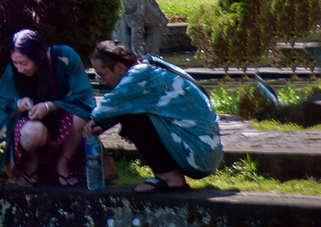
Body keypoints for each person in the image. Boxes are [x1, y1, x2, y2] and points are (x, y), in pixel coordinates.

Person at [88, 40, 224, 192]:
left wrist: (92, 123)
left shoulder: (138, 76)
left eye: (102, 75)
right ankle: (170, 175)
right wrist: (101, 125)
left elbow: (102, 111)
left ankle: (169, 177)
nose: (103, 81)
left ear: (119, 67)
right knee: (129, 110)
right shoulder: (151, 67)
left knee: (130, 116)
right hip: (205, 152)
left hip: (197, 155)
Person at [0, 29, 95, 186]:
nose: (19, 69)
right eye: (15, 63)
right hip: (34, 127)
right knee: (33, 132)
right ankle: (31, 161)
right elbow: (0, 100)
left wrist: (50, 106)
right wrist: (18, 104)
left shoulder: (65, 56)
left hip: (66, 126)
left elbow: (83, 97)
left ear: (39, 55)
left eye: (24, 63)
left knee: (80, 116)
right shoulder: (14, 70)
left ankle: (64, 163)